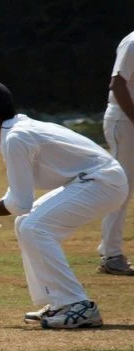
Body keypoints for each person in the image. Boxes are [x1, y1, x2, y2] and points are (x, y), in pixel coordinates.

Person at [0, 81, 127, 329]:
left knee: (34, 226)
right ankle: (60, 302)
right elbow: (19, 200)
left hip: (103, 181)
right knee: (26, 223)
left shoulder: (16, 137)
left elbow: (21, 202)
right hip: (96, 180)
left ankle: (78, 305)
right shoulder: (14, 132)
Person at [98, 30, 134, 276]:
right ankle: (111, 255)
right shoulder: (133, 42)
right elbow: (118, 84)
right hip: (124, 120)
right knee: (122, 185)